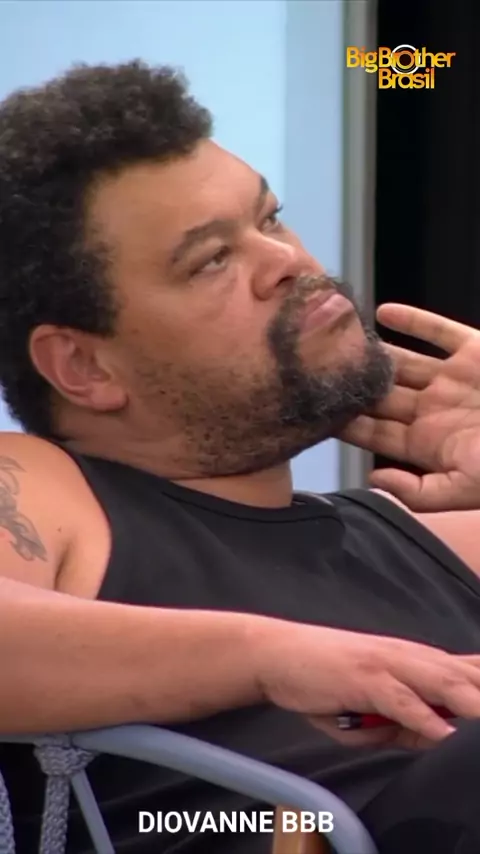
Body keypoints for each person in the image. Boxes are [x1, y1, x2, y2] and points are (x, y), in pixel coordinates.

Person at [0, 59, 480, 854]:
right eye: (213, 260)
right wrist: (269, 657)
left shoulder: (412, 538)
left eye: (271, 219)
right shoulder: (49, 491)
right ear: (84, 367)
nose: (288, 260)